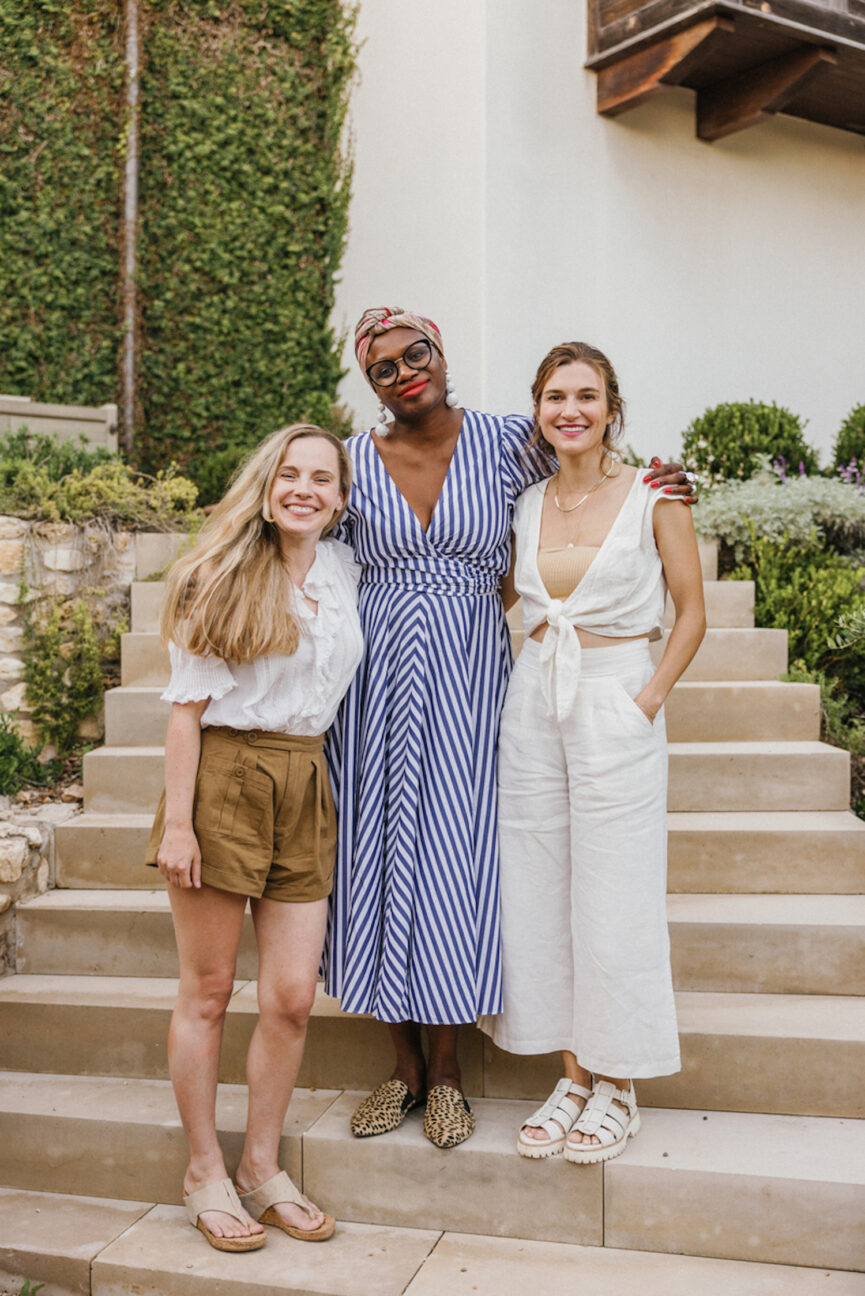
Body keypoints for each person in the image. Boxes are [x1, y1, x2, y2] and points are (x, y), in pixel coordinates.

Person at [322, 308, 696, 1149]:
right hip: (374, 686)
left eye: (414, 352)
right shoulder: (349, 463)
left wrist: (664, 481)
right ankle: (402, 1067)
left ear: (440, 351)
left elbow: (587, 466)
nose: (403, 370)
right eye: (382, 366)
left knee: (458, 859)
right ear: (368, 380)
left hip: (471, 682)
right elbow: (305, 541)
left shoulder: (503, 443)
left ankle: (449, 1073)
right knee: (375, 859)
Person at [478, 342, 706, 1164]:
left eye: (585, 395)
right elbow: (510, 598)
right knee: (537, 885)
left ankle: (620, 1084)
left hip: (614, 693)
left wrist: (645, 701)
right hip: (533, 698)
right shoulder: (526, 501)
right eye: (553, 396)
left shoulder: (655, 495)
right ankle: (573, 1074)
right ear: (536, 409)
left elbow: (689, 613)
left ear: (612, 407)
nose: (568, 409)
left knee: (616, 890)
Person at [144, 424, 363, 1250]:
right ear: (267, 483)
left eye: (321, 479)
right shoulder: (217, 573)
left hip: (305, 780)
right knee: (206, 991)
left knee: (291, 998)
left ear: (340, 500)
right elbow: (185, 712)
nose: (304, 489)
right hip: (224, 779)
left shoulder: (343, 572)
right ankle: (204, 1168)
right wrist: (177, 822)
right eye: (290, 474)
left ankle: (259, 1166)